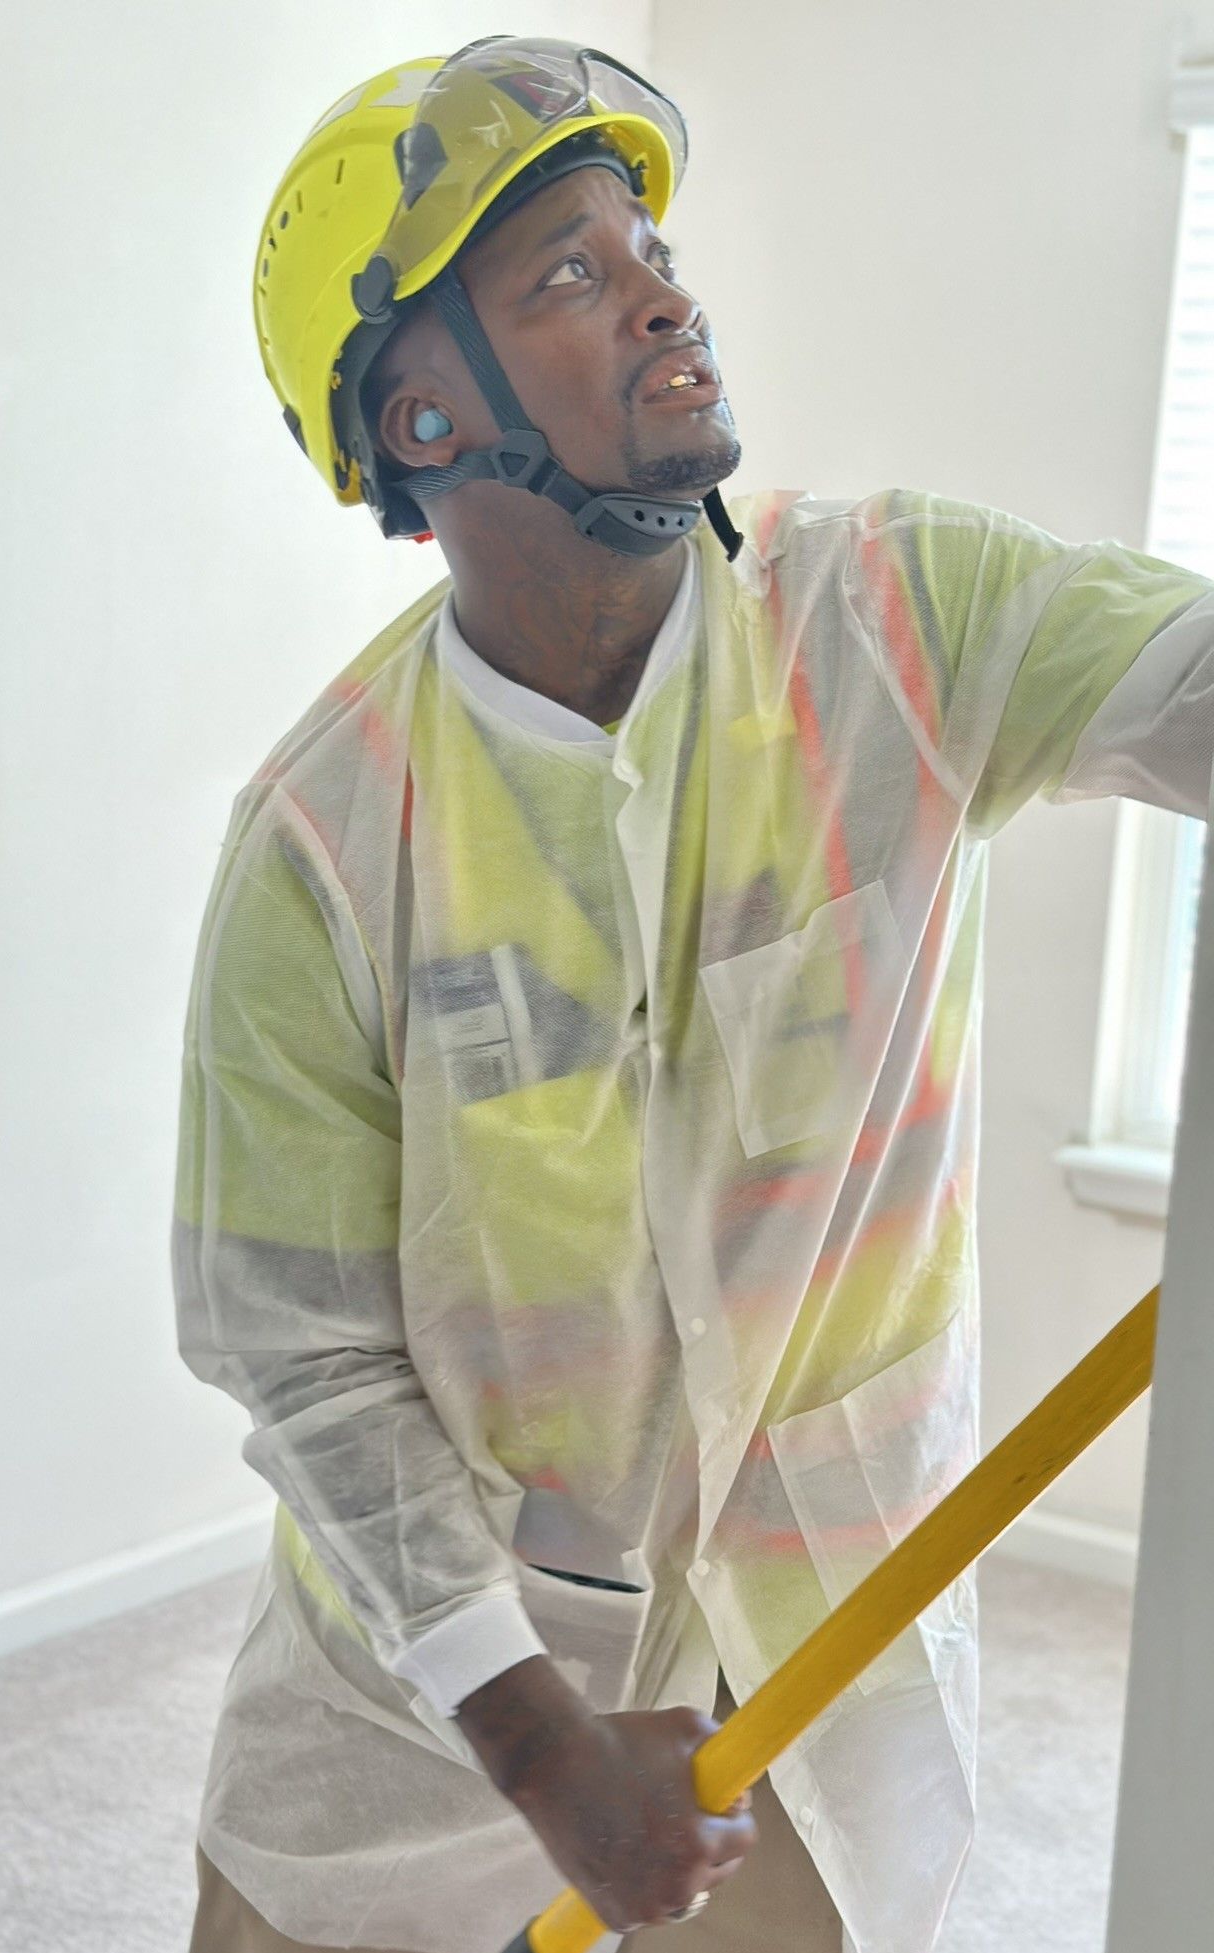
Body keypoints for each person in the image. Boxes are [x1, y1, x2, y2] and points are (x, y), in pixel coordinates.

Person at [173, 36, 1214, 1953]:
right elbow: (301, 1351)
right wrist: (542, 1742)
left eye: (647, 238)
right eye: (567, 270)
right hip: (439, 1678)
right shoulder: (327, 844)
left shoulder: (904, 622)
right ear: (419, 422)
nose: (662, 284)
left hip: (823, 1628)